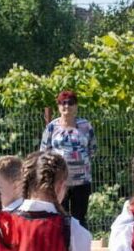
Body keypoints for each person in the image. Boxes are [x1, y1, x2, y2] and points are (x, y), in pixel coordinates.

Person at [39, 90, 97, 227]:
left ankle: (79, 247)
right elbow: (44, 152)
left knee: (80, 218)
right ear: (58, 106)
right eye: (63, 103)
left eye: (70, 103)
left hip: (82, 181)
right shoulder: (52, 127)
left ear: (76, 106)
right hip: (59, 181)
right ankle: (63, 247)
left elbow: (92, 149)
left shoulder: (85, 126)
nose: (67, 106)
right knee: (60, 218)